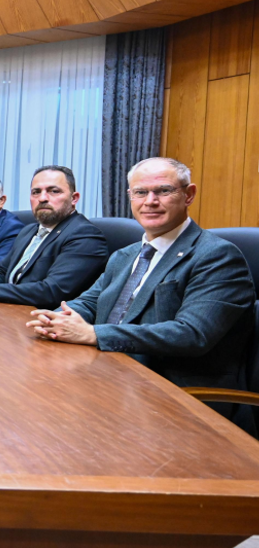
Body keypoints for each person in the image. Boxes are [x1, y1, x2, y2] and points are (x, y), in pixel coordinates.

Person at [27, 158, 254, 395]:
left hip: (173, 391)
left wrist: (94, 334)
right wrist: (54, 321)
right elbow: (90, 302)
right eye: (140, 192)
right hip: (106, 372)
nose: (150, 201)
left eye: (163, 191)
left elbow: (191, 334)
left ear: (188, 195)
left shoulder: (217, 256)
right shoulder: (125, 255)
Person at [0, 166, 107, 308]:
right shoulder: (29, 230)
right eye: (36, 192)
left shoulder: (85, 235)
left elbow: (52, 292)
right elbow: (1, 271)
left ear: (74, 198)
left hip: (43, 320)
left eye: (54, 191)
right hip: (9, 310)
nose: (42, 198)